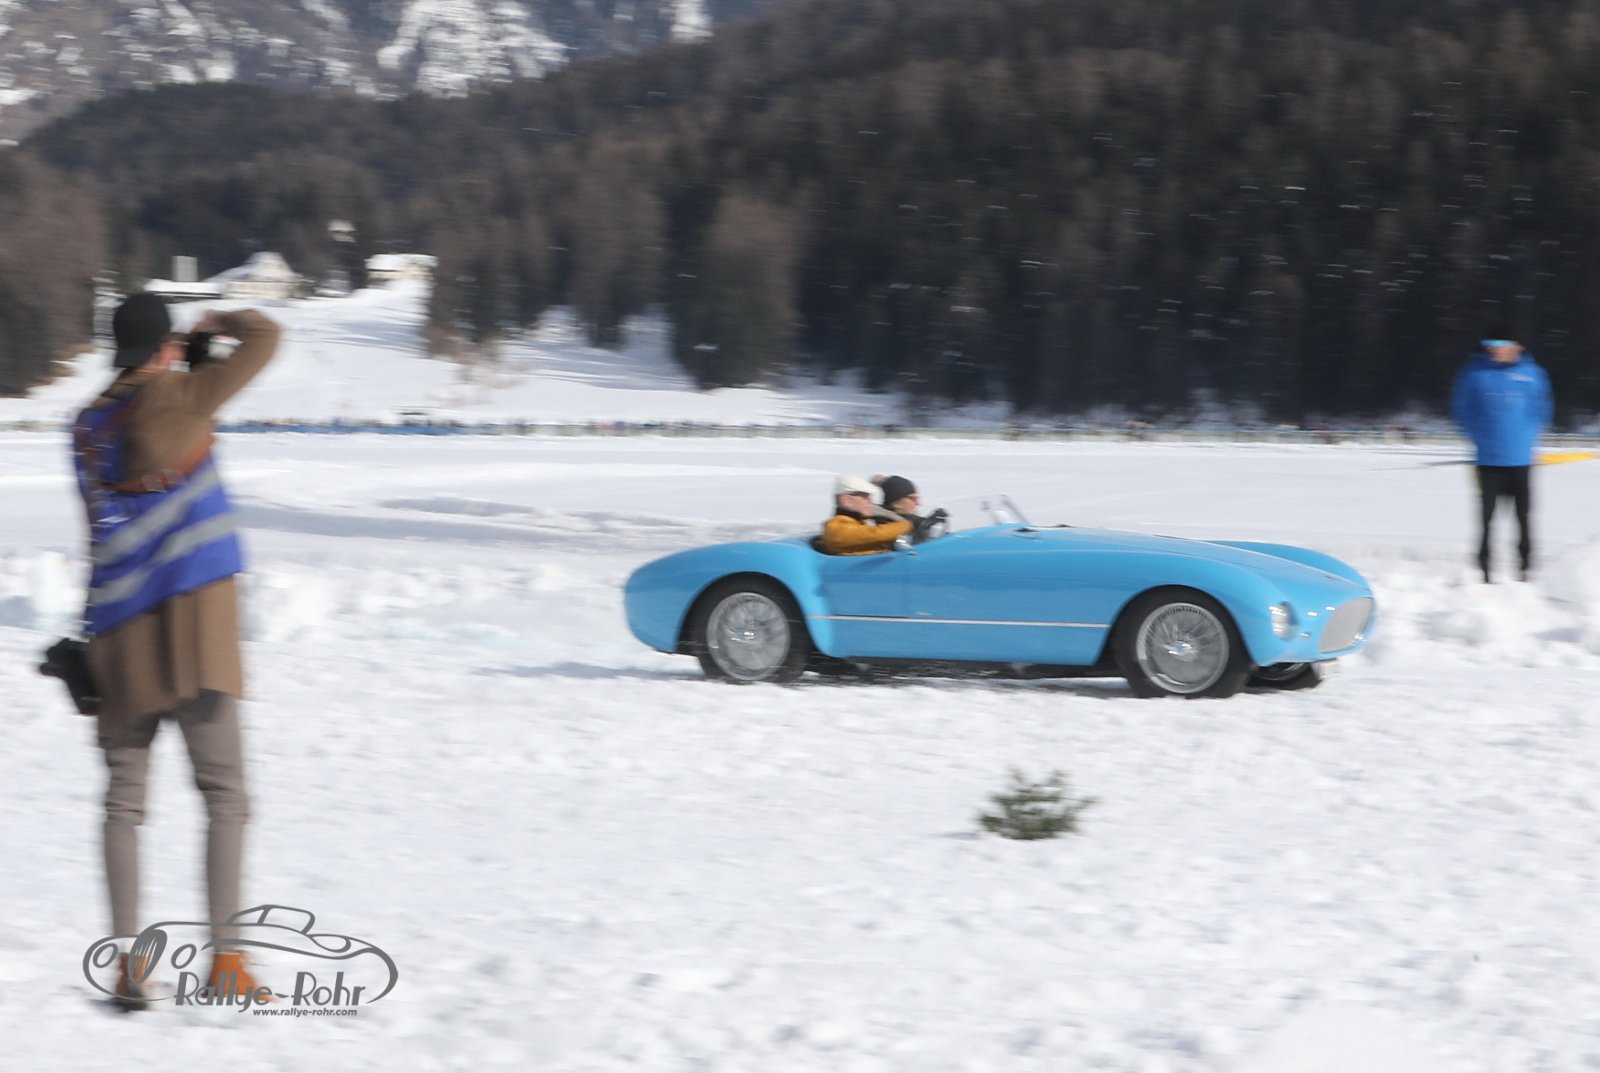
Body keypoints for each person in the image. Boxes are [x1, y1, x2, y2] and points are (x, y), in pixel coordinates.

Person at [73, 293, 281, 1009]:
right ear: (164, 347)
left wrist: (173, 363)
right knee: (226, 797)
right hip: (195, 639)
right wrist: (217, 327)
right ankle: (228, 962)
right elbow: (266, 337)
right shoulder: (186, 397)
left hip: (119, 641)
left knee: (124, 805)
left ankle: (129, 966)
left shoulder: (86, 428)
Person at [1450, 325, 1553, 583]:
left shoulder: (1533, 375)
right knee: (1486, 519)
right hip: (1488, 461)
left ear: (1517, 346)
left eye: (1500, 344)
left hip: (1520, 460)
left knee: (1523, 518)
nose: (1494, 350)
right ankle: (1484, 571)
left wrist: (1526, 438)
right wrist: (1480, 438)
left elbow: (1542, 410)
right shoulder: (1474, 374)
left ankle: (1525, 569)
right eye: (1490, 345)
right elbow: (1462, 410)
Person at [819, 474, 911, 555]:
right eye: (864, 497)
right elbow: (875, 534)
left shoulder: (859, 524)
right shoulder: (836, 529)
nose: (870, 501)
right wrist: (908, 525)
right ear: (845, 500)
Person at [873, 474, 948, 544]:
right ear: (897, 502)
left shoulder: (906, 519)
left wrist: (928, 523)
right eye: (913, 499)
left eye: (917, 498)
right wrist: (922, 529)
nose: (918, 503)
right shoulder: (883, 522)